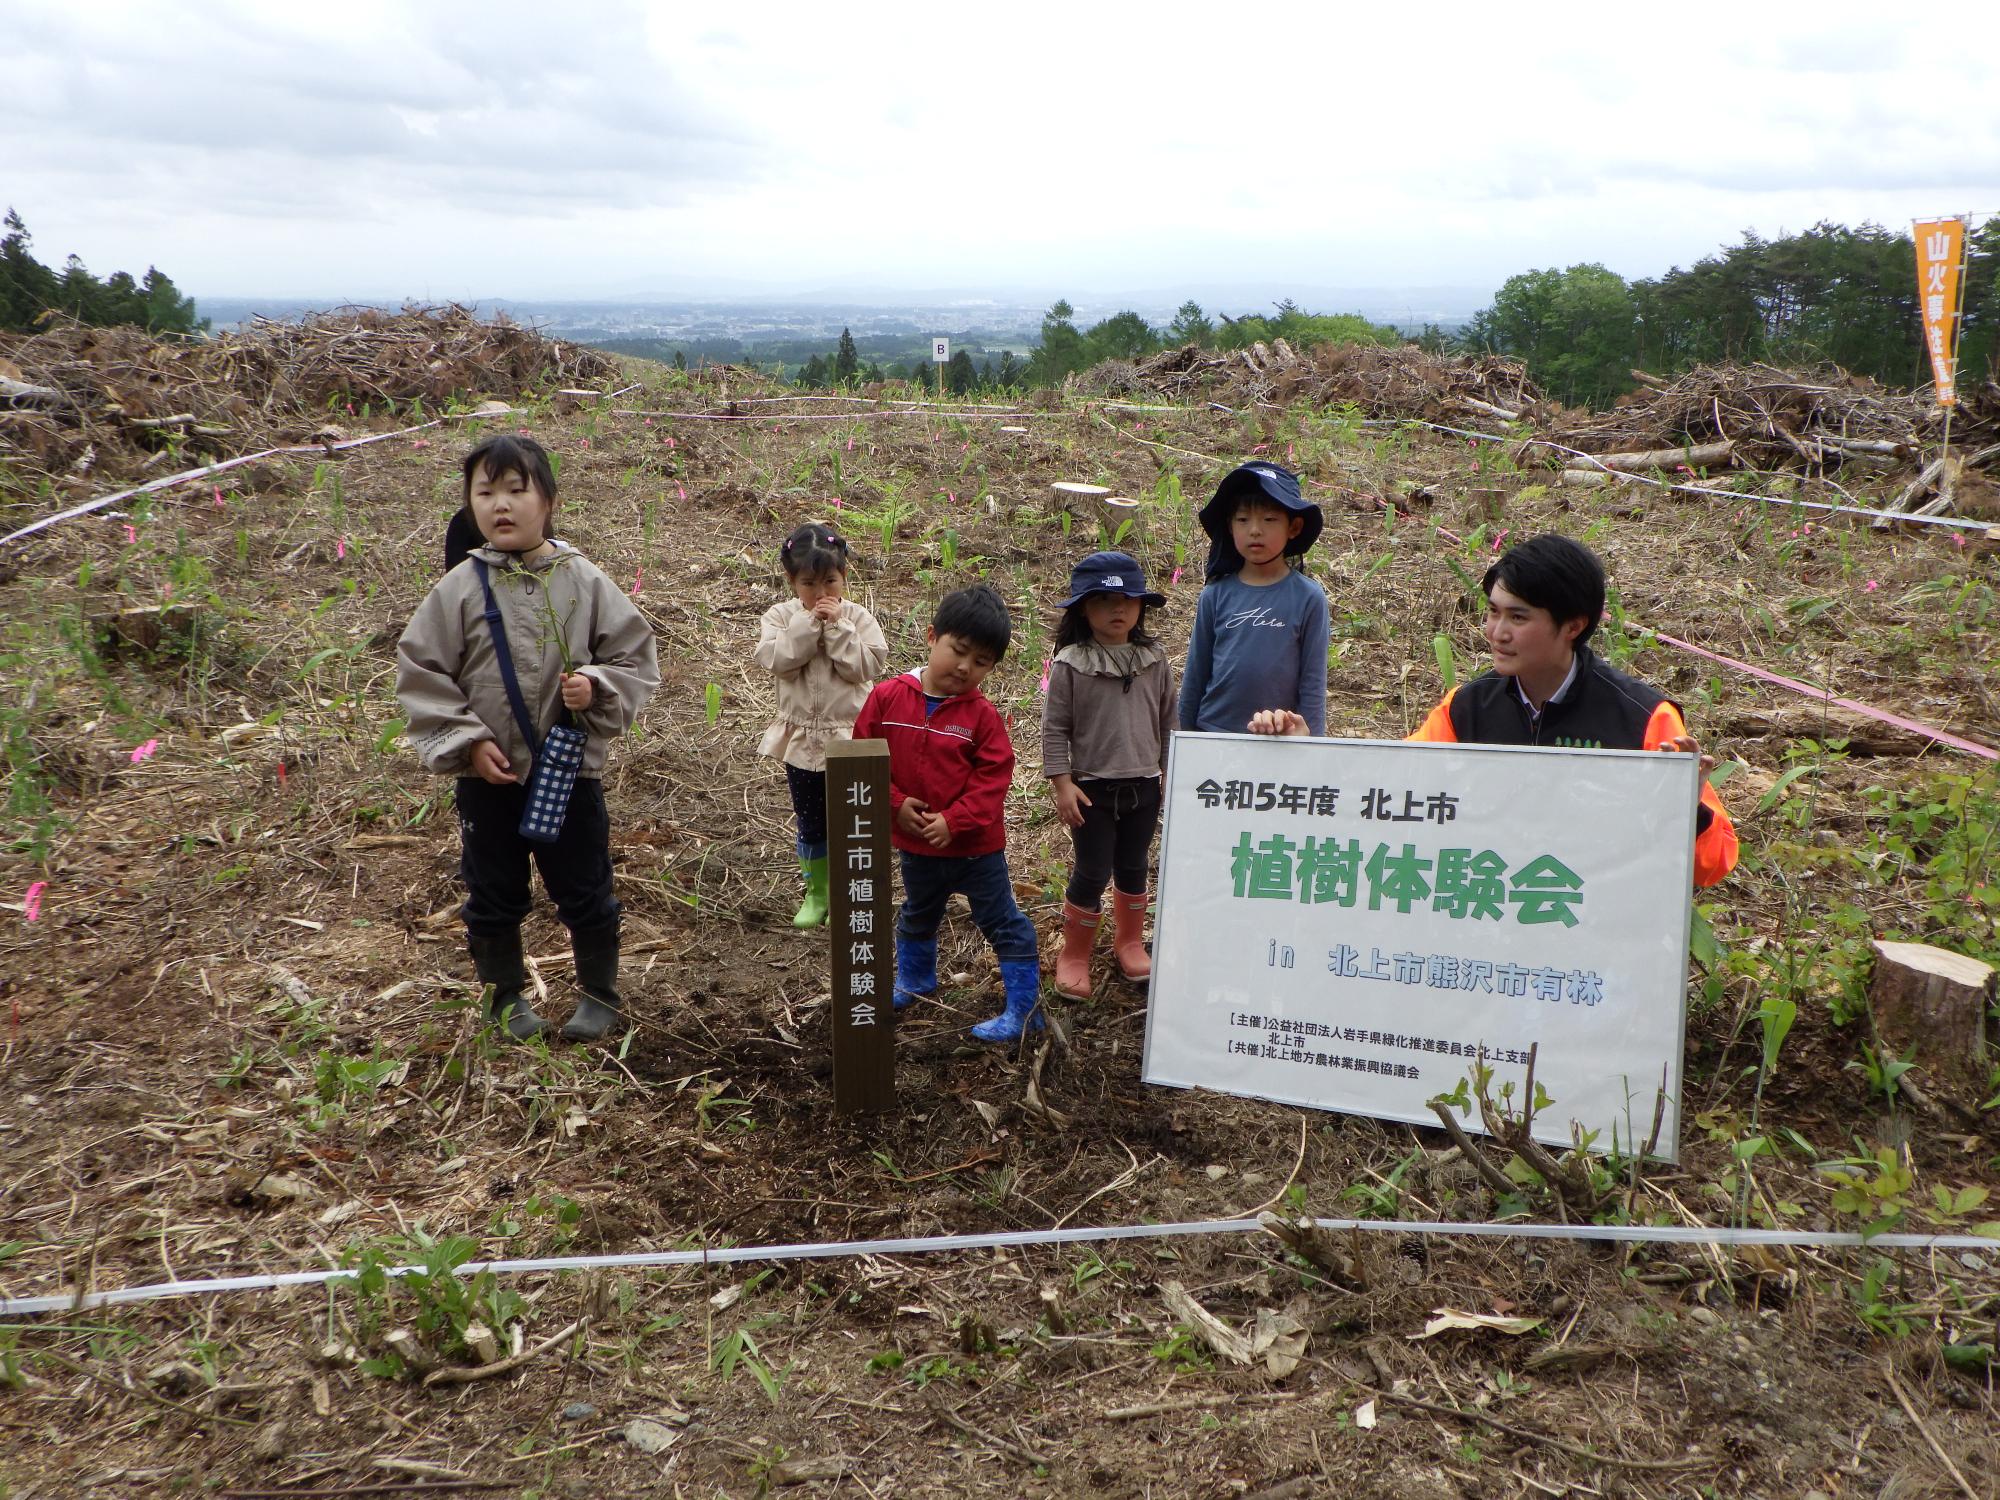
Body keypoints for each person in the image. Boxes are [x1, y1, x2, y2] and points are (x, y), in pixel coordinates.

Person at [1250, 533, 1738, 886]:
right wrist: (1308, 758)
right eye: (1493, 611)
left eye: (1518, 617)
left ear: (1573, 625)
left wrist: (1685, 809)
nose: (1496, 632)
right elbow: (1392, 784)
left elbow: (1711, 867)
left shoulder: (1644, 719)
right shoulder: (1467, 708)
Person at [396, 435, 660, 1041]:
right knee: (492, 891)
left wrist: (594, 686)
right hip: (488, 779)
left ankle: (599, 996)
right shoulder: (459, 587)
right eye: (485, 493)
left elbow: (633, 656)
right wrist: (466, 741)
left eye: (517, 490)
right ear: (469, 506)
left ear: (549, 501)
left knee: (585, 884)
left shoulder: (584, 581)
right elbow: (422, 670)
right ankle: (506, 999)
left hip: (569, 773)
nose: (501, 505)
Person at [852, 584, 1043, 1043]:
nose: (965, 668)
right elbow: (862, 757)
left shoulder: (982, 716)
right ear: (931, 636)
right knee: (918, 911)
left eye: (981, 662)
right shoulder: (887, 698)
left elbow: (994, 778)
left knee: (1001, 922)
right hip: (916, 844)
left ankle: (1025, 1008)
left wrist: (954, 821)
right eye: (958, 651)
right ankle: (916, 980)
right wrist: (895, 804)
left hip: (976, 850)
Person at [1041, 551, 1176, 1000]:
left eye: (1127, 599)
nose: (1117, 609)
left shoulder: (1153, 658)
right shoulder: (1072, 663)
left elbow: (1167, 722)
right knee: (1093, 869)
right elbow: (1055, 728)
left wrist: (1172, 776)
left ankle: (1130, 942)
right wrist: (1062, 783)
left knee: (1135, 865)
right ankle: (1075, 954)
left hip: (1144, 785)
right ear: (1083, 608)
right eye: (1103, 600)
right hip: (1091, 789)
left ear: (1141, 605)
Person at [754, 522, 889, 928]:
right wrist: (810, 625)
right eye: (809, 583)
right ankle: (818, 893)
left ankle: (851, 890)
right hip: (801, 741)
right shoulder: (780, 617)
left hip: (850, 737)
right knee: (811, 820)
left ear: (844, 577)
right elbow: (777, 660)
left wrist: (837, 629)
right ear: (791, 581)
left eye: (831, 581)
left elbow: (868, 666)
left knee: (852, 819)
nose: (821, 593)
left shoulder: (857, 618)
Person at [1178, 462, 1330, 736]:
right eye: (1243, 520)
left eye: (1269, 519)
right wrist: (1181, 742)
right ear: (1230, 526)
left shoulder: (1308, 598)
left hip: (1278, 737)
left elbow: (1313, 684)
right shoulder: (1215, 594)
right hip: (1213, 733)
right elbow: (1195, 675)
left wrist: (1312, 745)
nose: (1255, 530)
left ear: (1294, 527)